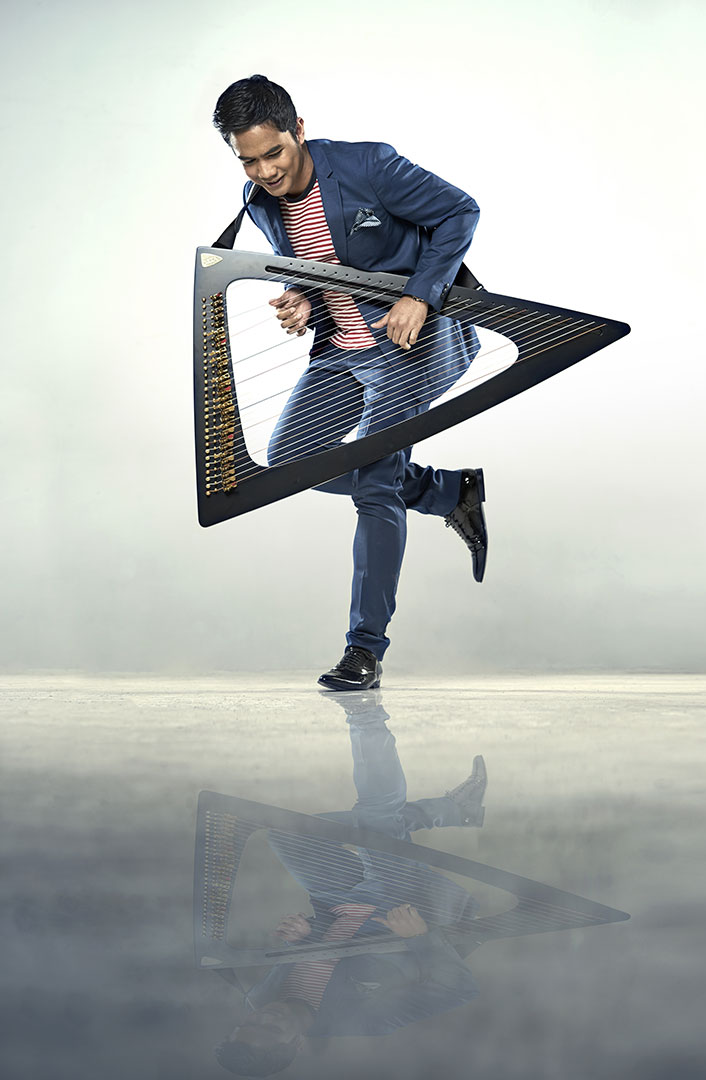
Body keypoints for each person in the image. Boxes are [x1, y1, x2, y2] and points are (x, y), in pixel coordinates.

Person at [212, 75, 489, 690]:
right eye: (249, 161)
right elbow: (320, 266)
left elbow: (460, 211)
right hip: (340, 351)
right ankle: (447, 492)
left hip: (406, 348)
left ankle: (364, 650)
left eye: (274, 153)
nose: (265, 172)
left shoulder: (370, 166)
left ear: (298, 130)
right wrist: (302, 298)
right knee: (288, 460)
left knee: (375, 488)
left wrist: (420, 294)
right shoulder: (258, 200)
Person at [214, 694, 488, 1075]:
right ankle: (364, 712)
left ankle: (452, 811)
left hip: (337, 903)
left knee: (287, 834)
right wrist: (420, 938)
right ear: (297, 1044)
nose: (265, 1016)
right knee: (374, 819)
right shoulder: (365, 1021)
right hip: (399, 906)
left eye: (250, 1023)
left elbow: (319, 956)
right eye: (272, 1029)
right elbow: (458, 989)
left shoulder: (259, 997)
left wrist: (303, 938)